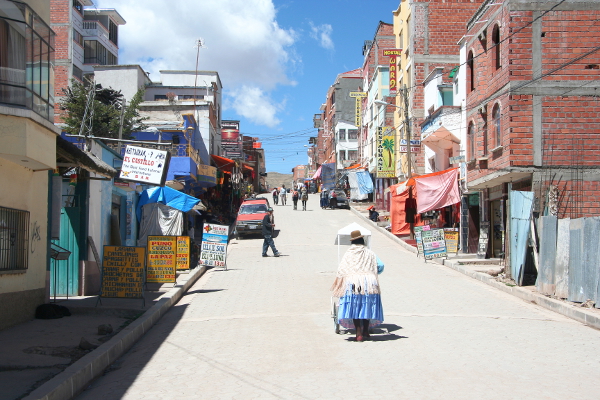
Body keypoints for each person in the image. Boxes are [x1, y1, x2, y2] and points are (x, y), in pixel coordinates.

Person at [331, 230, 384, 342]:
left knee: (355, 306)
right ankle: (366, 330)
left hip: (353, 282)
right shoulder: (370, 253)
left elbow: (342, 269)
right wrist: (373, 271)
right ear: (362, 240)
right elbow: (381, 265)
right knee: (366, 304)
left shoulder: (349, 253)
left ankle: (358, 333)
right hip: (369, 283)